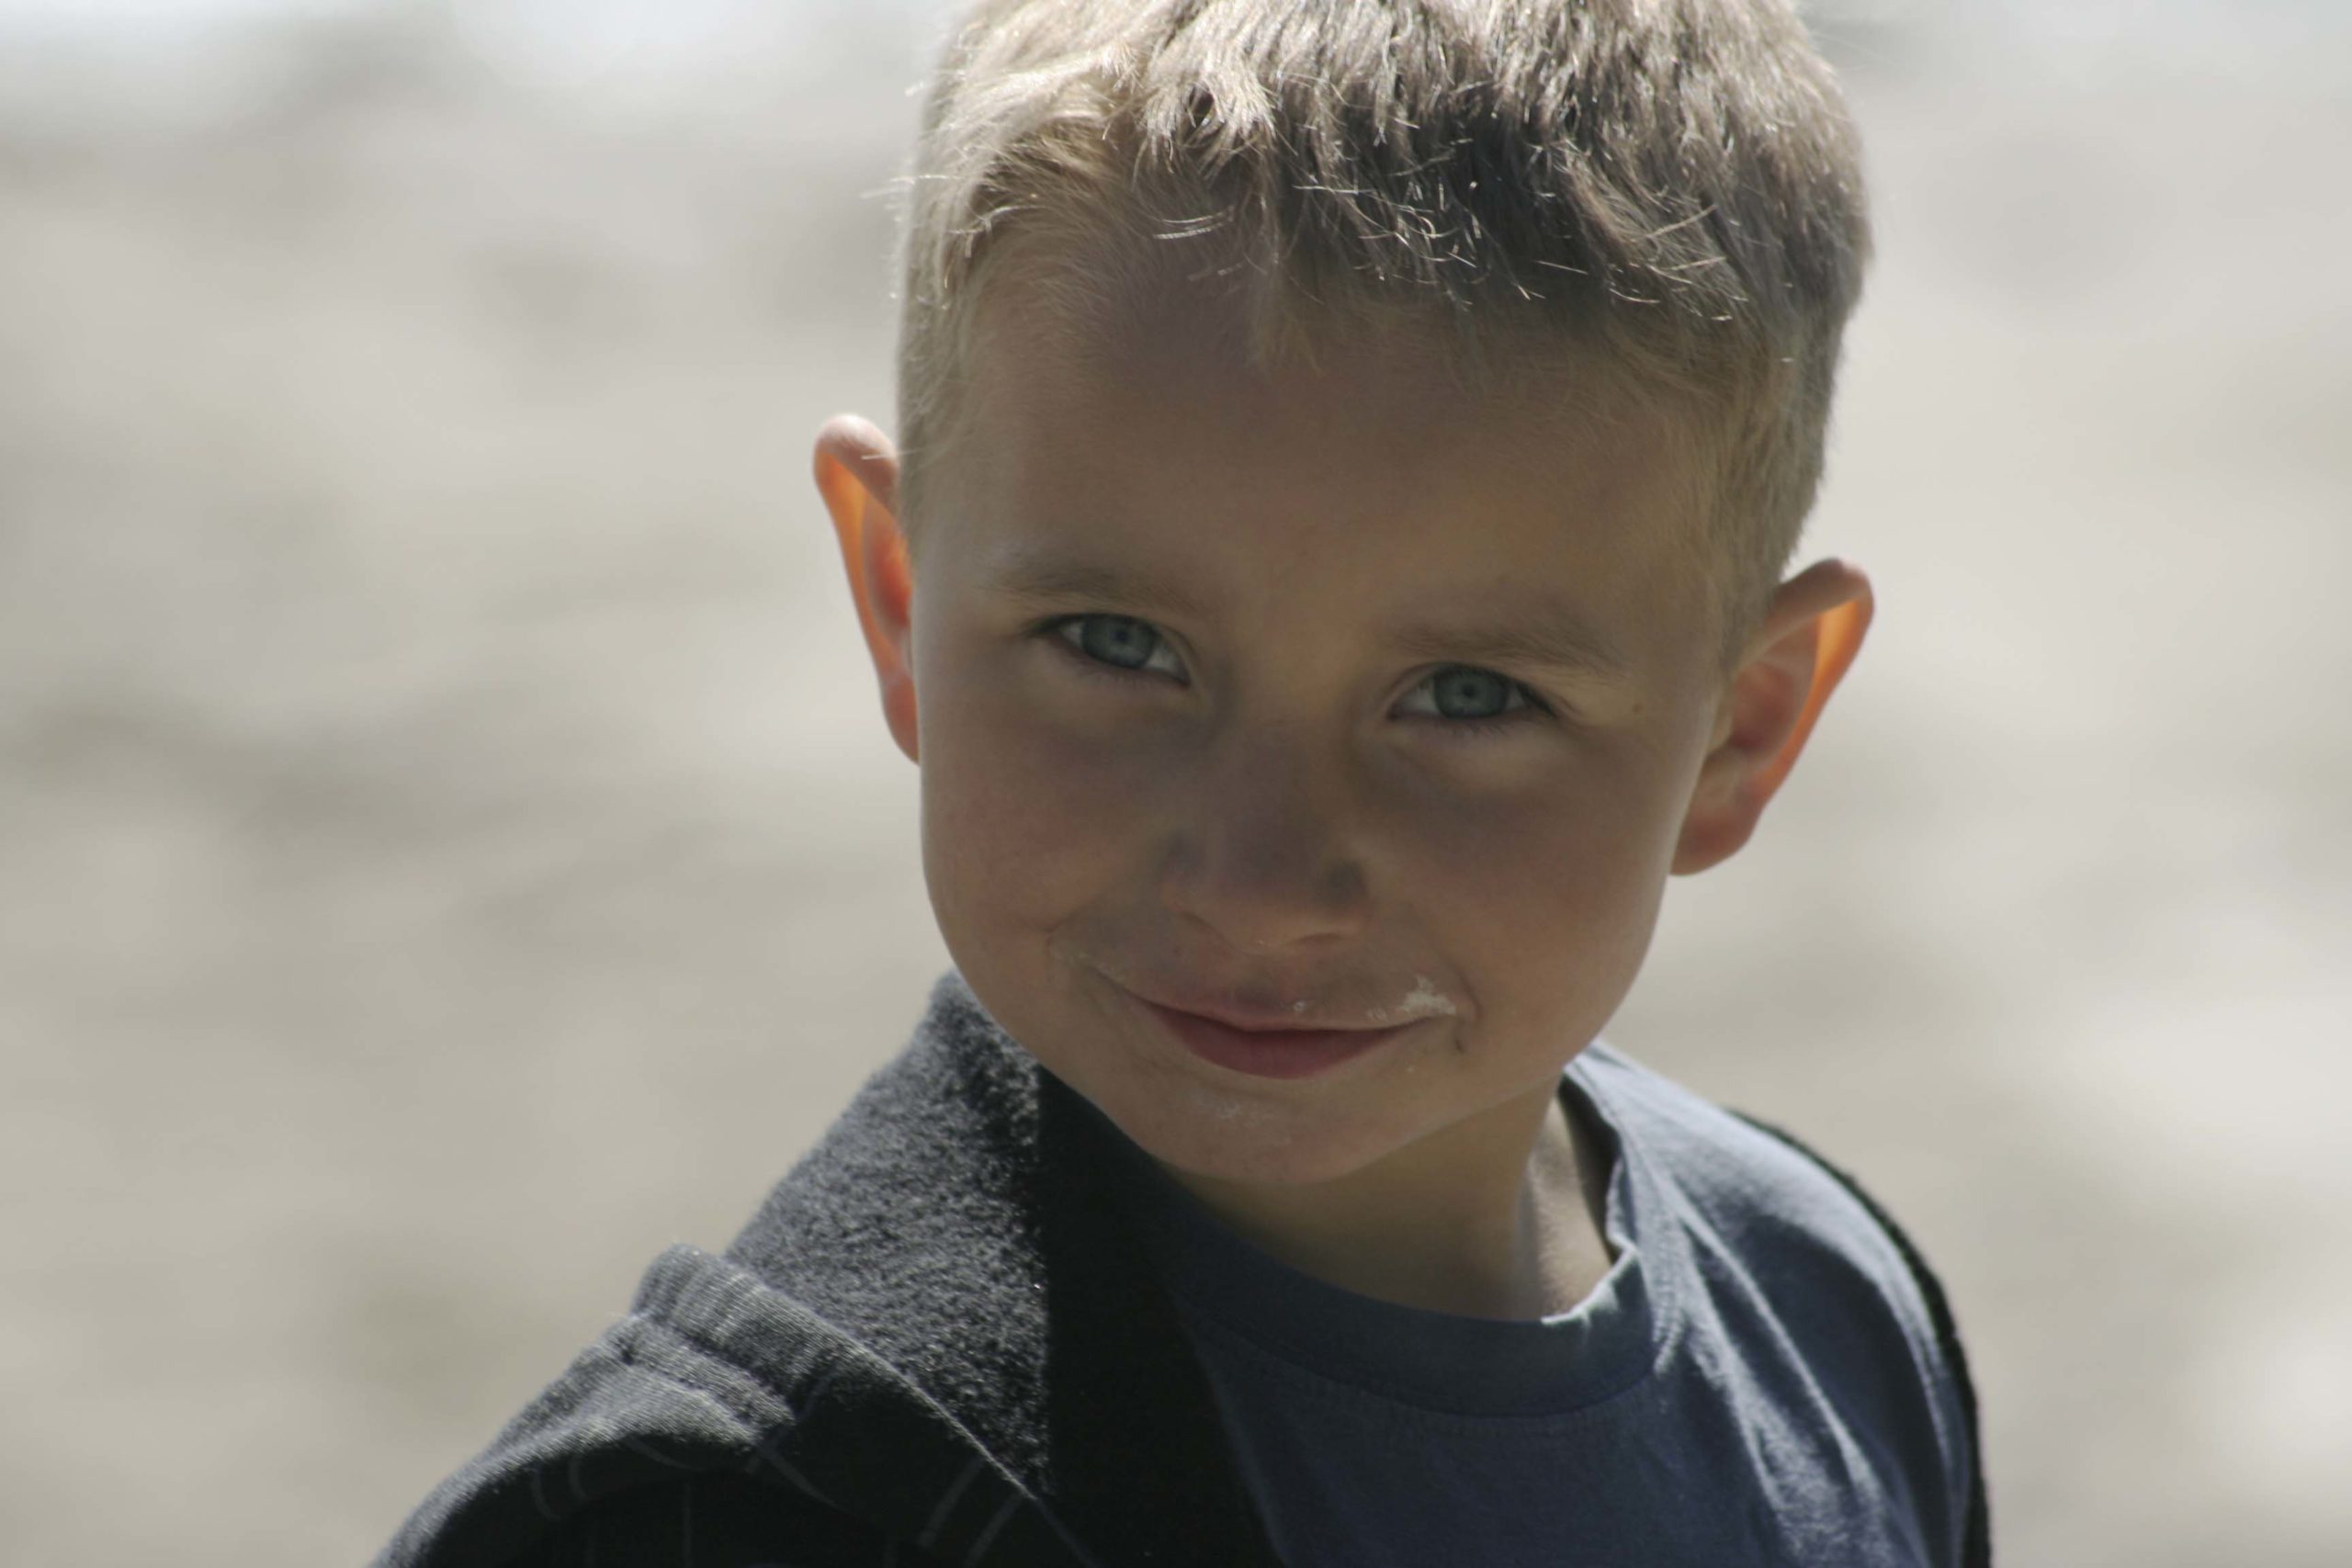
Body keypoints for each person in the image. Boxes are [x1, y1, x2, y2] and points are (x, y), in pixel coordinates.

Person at [375, 1, 1988, 1562]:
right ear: (901, 607)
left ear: (1740, 732)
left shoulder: (1833, 1314)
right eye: (1117, 645)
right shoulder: (748, 1521)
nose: (1260, 885)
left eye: (1468, 698)